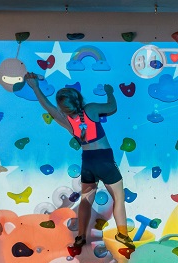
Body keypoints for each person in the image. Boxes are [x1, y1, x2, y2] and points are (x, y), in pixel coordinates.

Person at [25, 73, 135, 251]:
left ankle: (81, 236)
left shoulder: (65, 120)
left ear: (63, 107)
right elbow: (112, 107)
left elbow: (47, 105)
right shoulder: (91, 109)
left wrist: (35, 87)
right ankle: (122, 234)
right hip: (105, 160)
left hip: (88, 162)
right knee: (118, 198)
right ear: (78, 98)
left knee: (85, 201)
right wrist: (110, 92)